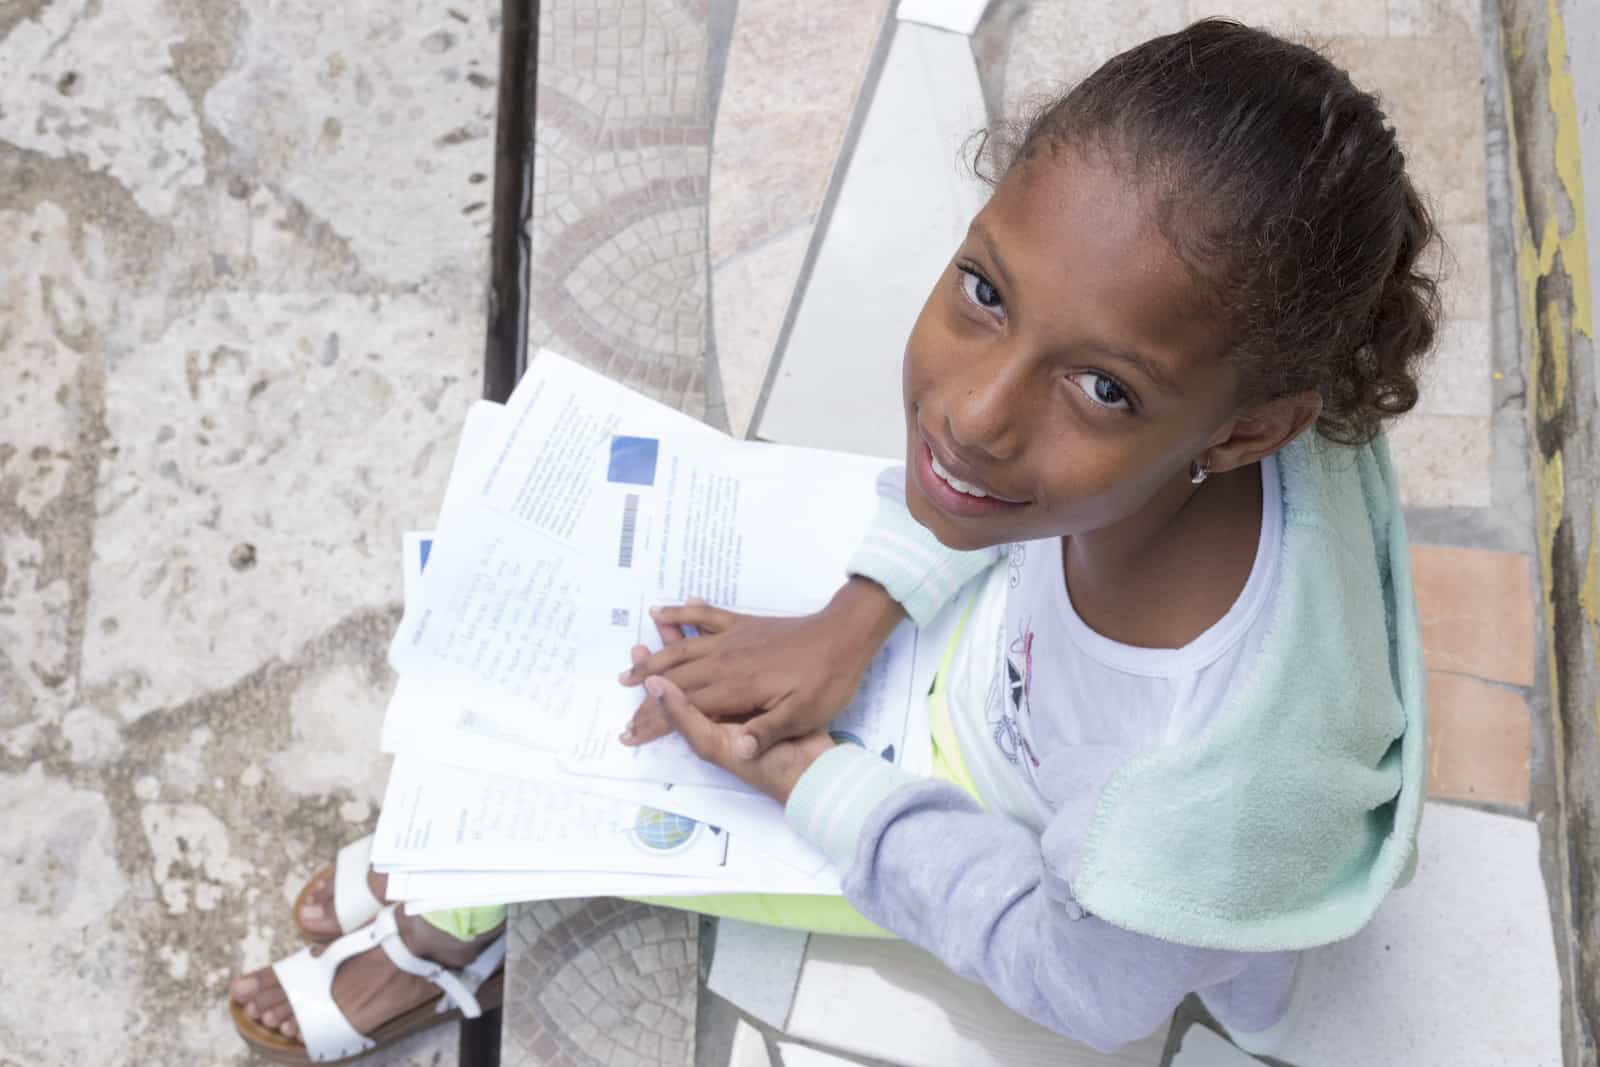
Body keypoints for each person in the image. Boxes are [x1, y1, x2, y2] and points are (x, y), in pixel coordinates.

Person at [230, 18, 1434, 1061]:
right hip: (981, 656)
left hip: (990, 817)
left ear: (1248, 429)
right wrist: (852, 617)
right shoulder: (1177, 439)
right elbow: (973, 484)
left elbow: (1089, 984)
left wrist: (808, 778)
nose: (972, 410)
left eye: (1103, 389)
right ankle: (450, 855)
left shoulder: (1192, 797)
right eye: (985, 291)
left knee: (612, 760)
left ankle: (450, 917)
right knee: (617, 644)